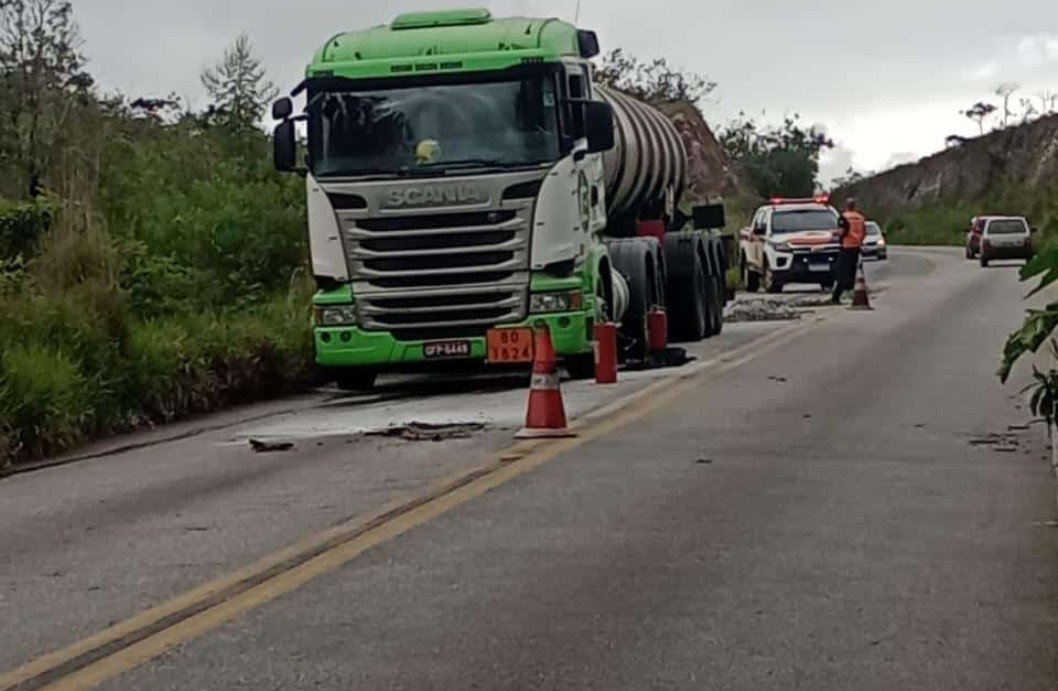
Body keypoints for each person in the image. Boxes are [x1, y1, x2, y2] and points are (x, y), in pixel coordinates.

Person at [831, 199, 867, 304]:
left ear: (846, 206)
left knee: (841, 273)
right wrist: (859, 240)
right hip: (856, 247)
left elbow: (842, 231)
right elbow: (864, 232)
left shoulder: (844, 217)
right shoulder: (860, 218)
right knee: (852, 272)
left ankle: (836, 297)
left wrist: (834, 233)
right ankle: (853, 292)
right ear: (854, 206)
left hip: (846, 247)